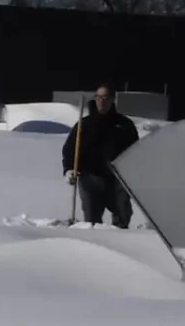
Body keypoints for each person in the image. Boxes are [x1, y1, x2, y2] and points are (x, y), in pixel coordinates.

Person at [60, 85, 140, 227]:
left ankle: (120, 239)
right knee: (92, 221)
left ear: (113, 100)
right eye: (98, 97)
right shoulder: (84, 124)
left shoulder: (124, 125)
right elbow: (69, 149)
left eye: (105, 97)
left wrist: (133, 174)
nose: (101, 101)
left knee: (123, 216)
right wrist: (68, 169)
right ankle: (94, 240)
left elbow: (136, 151)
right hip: (90, 178)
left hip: (117, 180)